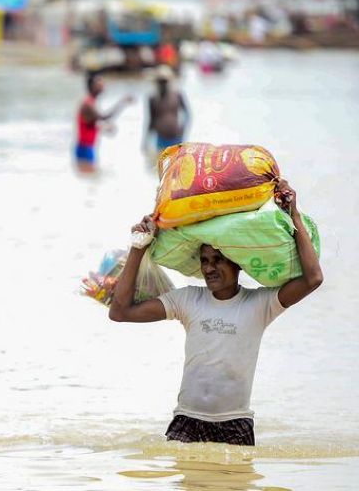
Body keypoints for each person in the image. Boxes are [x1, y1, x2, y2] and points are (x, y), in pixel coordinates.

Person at [108, 179, 323, 446]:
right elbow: (120, 312)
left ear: (239, 264)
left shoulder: (260, 305)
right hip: (186, 421)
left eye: (218, 260)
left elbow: (313, 278)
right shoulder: (188, 299)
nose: (209, 268)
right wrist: (138, 248)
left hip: (236, 424)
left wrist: (295, 217)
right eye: (205, 261)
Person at [75, 73, 133, 173]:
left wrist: (103, 128)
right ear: (92, 86)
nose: (102, 85)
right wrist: (122, 102)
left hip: (86, 147)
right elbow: (105, 117)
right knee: (90, 178)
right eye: (99, 82)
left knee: (89, 179)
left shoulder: (90, 102)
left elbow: (90, 123)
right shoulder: (88, 104)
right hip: (85, 149)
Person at [144, 65, 190, 155]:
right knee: (161, 165)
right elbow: (150, 121)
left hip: (177, 137)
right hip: (161, 138)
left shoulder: (177, 95)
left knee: (177, 164)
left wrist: (183, 130)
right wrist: (146, 140)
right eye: (160, 81)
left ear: (169, 81)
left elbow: (187, 115)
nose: (162, 84)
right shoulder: (152, 98)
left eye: (164, 81)